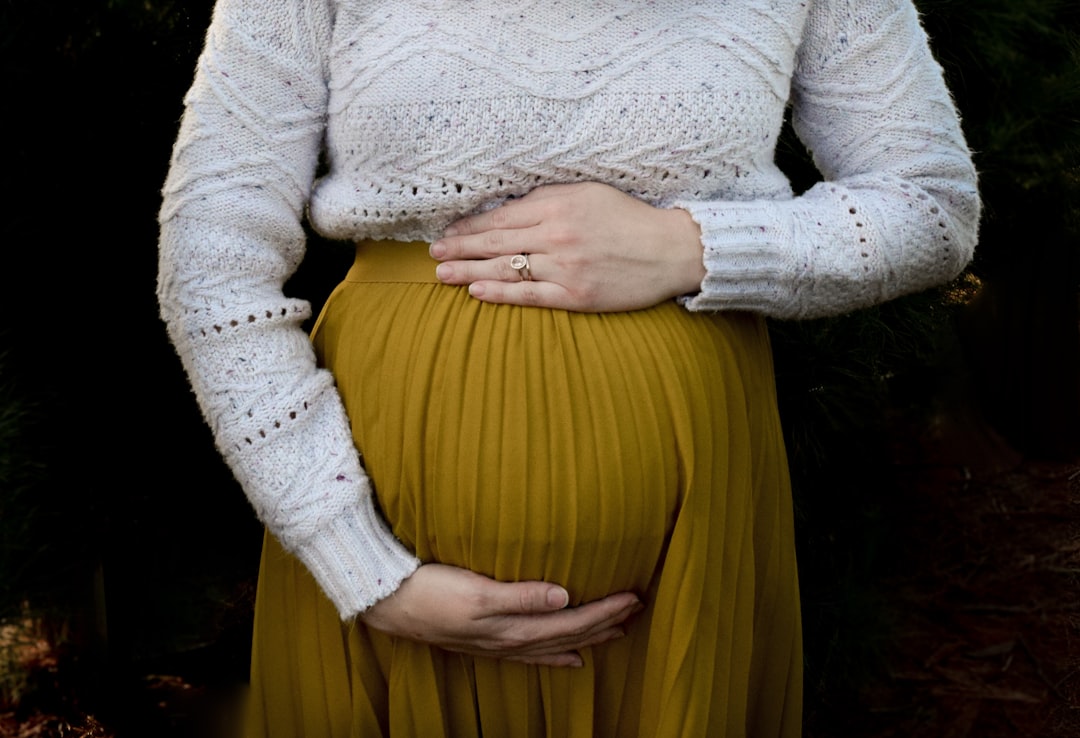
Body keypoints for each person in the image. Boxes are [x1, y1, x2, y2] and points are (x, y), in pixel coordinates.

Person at [156, 0, 980, 735]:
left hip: (687, 565)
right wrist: (359, 565)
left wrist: (692, 247)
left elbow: (929, 204)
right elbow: (213, 259)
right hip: (379, 566)